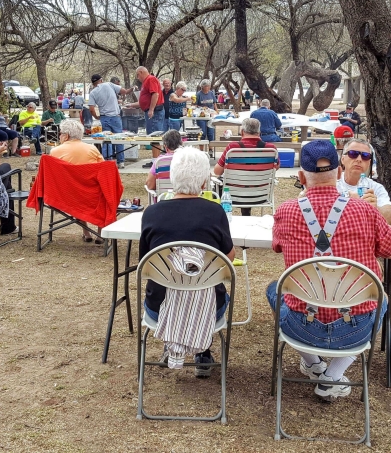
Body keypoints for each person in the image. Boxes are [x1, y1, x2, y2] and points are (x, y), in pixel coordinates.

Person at [269, 140, 391, 401]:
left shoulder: (286, 211)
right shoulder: (365, 210)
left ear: (300, 177)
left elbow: (277, 246)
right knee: (381, 300)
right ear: (340, 173)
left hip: (302, 327)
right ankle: (332, 376)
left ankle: (314, 364)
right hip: (356, 327)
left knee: (274, 290)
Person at [140, 146, 236, 375]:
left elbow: (146, 263)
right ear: (204, 183)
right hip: (209, 309)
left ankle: (171, 341)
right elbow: (228, 259)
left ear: (172, 178)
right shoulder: (215, 212)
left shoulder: (151, 213)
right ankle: (202, 352)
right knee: (212, 291)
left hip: (160, 308)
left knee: (173, 288)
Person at [49, 119, 104, 242]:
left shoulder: (54, 151)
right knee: (101, 191)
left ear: (66, 136)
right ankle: (100, 234)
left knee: (76, 190)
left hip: (67, 196)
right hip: (91, 195)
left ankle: (86, 232)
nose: (59, 135)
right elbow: (104, 172)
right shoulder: (92, 149)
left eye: (61, 133)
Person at [214, 117, 279, 216]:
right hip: (261, 195)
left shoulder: (233, 148)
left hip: (233, 195)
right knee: (251, 180)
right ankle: (246, 213)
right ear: (259, 132)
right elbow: (276, 167)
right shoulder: (271, 149)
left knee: (218, 184)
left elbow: (217, 172)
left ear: (242, 132)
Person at [336, 139, 391, 225]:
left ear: (369, 163)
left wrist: (374, 208)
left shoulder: (375, 187)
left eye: (365, 156)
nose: (359, 159)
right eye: (353, 154)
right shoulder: (332, 183)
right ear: (343, 159)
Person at [89, 74, 134, 167]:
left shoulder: (93, 93)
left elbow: (91, 109)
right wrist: (132, 88)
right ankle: (120, 161)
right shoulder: (109, 84)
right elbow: (124, 91)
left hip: (104, 117)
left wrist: (96, 117)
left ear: (93, 83)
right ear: (101, 80)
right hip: (115, 117)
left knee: (106, 140)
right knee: (119, 139)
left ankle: (107, 160)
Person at [134, 66, 166, 135]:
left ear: (141, 72)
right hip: (150, 112)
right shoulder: (145, 82)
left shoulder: (150, 79)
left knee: (154, 136)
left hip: (154, 112)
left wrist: (151, 110)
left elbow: (155, 94)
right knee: (151, 134)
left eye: (138, 75)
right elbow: (145, 99)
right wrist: (131, 105)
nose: (138, 77)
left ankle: (155, 146)